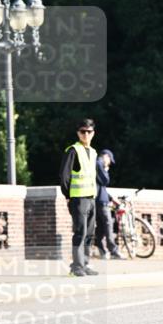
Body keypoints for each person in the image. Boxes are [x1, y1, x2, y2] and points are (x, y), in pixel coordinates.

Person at [59, 118, 98, 277]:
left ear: (93, 133)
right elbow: (64, 175)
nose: (86, 134)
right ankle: (76, 267)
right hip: (78, 199)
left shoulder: (94, 152)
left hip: (91, 198)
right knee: (80, 232)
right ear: (78, 133)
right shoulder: (73, 150)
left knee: (89, 233)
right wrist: (68, 196)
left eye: (89, 131)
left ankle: (85, 264)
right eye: (83, 131)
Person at [95, 148, 124, 259]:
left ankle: (101, 247)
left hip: (99, 199)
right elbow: (105, 181)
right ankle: (113, 250)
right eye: (109, 160)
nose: (110, 163)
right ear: (106, 156)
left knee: (102, 226)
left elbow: (100, 186)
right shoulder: (99, 164)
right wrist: (105, 170)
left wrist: (111, 198)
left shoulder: (97, 164)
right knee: (108, 224)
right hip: (101, 201)